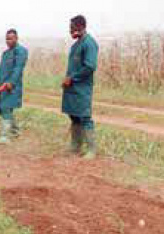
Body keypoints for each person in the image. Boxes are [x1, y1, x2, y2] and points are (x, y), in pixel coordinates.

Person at [62, 15, 99, 159]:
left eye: (72, 28)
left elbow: (90, 66)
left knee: (84, 117)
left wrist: (72, 78)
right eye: (70, 28)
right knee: (74, 116)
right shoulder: (76, 45)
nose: (70, 31)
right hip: (72, 88)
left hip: (82, 87)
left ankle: (91, 150)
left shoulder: (89, 43)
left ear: (81, 27)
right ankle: (75, 147)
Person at [0, 29, 28, 145]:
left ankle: (5, 137)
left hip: (12, 86)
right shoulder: (5, 53)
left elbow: (18, 68)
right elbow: (0, 71)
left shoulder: (21, 51)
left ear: (16, 38)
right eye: (7, 39)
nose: (8, 41)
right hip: (3, 86)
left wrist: (11, 83)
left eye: (11, 38)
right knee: (2, 109)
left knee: (6, 107)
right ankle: (15, 131)